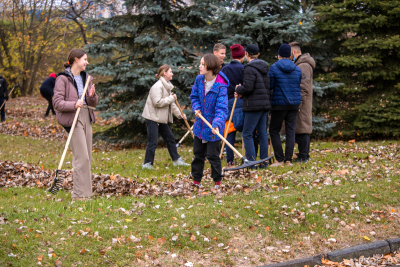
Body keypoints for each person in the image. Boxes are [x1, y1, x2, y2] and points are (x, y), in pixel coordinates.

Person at [53, 49, 98, 201]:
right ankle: (79, 195)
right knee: (81, 157)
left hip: (86, 115)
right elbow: (57, 103)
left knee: (88, 157)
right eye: (85, 59)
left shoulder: (87, 78)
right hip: (73, 118)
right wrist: (74, 104)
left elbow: (93, 103)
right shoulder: (63, 79)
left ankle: (86, 194)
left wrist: (91, 97)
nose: (87, 62)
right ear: (76, 60)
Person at [190, 53, 229, 189]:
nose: (199, 66)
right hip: (200, 125)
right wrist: (197, 108)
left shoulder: (221, 86)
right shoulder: (199, 80)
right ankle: (196, 180)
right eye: (200, 63)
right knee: (198, 154)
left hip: (213, 128)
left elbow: (222, 109)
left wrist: (217, 124)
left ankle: (217, 182)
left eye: (202, 64)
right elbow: (194, 96)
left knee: (213, 155)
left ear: (211, 66)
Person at [141, 64, 190, 169]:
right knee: (153, 141)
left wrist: (180, 115)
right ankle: (147, 164)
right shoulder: (157, 86)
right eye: (170, 71)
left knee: (170, 138)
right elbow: (157, 102)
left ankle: (176, 161)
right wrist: (171, 98)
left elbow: (171, 104)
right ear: (164, 73)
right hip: (152, 117)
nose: (172, 73)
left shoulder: (166, 86)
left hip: (160, 118)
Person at [235, 44, 271, 168]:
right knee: (262, 134)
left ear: (247, 54)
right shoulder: (265, 67)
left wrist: (238, 89)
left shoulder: (249, 68)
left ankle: (251, 163)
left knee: (247, 133)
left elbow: (248, 87)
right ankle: (264, 162)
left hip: (253, 105)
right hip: (264, 104)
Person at [268, 43, 302, 167]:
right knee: (290, 131)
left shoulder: (274, 68)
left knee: (274, 130)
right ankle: (288, 160)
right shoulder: (297, 69)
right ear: (290, 55)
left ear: (279, 55)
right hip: (294, 104)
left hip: (279, 103)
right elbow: (298, 86)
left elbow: (270, 86)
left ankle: (279, 159)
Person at [289, 42, 315, 163]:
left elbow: (303, 87)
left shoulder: (303, 66)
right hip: (302, 101)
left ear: (294, 52)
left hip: (302, 102)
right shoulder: (300, 64)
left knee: (303, 128)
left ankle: (304, 155)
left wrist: (298, 103)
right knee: (300, 127)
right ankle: (302, 154)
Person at [221, 44, 245, 165]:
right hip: (242, 101)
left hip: (228, 102)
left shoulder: (224, 69)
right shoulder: (244, 68)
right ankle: (248, 156)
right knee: (246, 129)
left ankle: (229, 160)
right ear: (242, 55)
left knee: (230, 130)